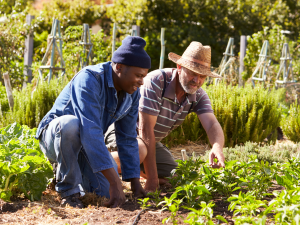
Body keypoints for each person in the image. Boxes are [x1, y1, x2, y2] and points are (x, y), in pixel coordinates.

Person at [36, 36, 151, 208]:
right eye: (138, 76)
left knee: (104, 193)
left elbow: (127, 137)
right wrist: (115, 182)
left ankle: (68, 174)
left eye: (144, 76)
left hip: (85, 145)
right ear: (119, 67)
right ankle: (68, 191)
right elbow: (90, 131)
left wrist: (134, 183)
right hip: (55, 137)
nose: (142, 82)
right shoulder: (90, 79)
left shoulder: (132, 93)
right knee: (70, 124)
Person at [106, 41, 226, 193]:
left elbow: (212, 125)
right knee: (139, 150)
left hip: (149, 142)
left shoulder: (198, 94)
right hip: (123, 133)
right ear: (180, 67)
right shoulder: (156, 81)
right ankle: (94, 164)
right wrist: (152, 178)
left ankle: (134, 170)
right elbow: (145, 130)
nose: (197, 80)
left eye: (202, 76)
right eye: (193, 74)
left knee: (178, 176)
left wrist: (217, 146)